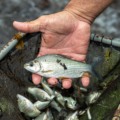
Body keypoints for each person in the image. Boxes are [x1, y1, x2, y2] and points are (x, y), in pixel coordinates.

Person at [13, 0, 113, 89]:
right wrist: (78, 16)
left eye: (31, 64)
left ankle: (89, 68)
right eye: (31, 64)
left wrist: (78, 16)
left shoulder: (41, 68)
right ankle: (89, 68)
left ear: (37, 64)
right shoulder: (41, 67)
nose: (28, 66)